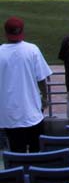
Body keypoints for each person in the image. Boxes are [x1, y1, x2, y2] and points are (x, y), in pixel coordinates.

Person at [0, 17, 52, 152]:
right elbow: (41, 78)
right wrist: (45, 98)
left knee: (17, 152)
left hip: (9, 114)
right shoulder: (32, 49)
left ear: (5, 32)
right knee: (36, 151)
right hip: (32, 113)